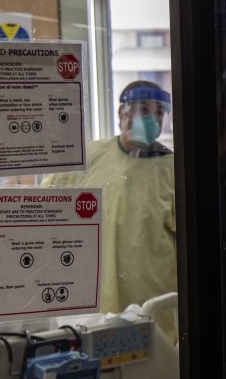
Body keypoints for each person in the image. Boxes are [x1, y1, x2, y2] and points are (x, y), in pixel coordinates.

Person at [43, 80, 176, 320]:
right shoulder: (88, 159)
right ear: (121, 113)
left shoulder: (174, 170)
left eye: (159, 112)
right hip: (93, 300)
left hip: (154, 303)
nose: (153, 120)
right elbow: (42, 210)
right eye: (144, 110)